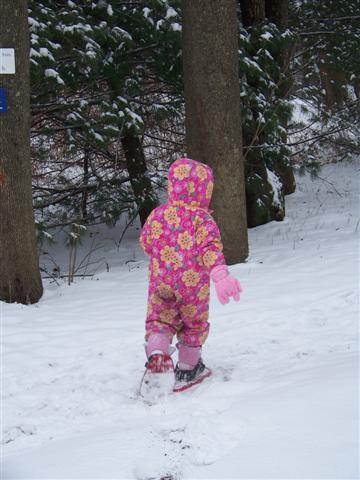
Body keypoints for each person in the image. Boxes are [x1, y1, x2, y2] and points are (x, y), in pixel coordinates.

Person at [140, 157, 242, 391]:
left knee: (160, 319)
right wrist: (220, 276)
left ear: (172, 185)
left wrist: (163, 258)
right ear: (205, 190)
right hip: (192, 287)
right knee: (193, 324)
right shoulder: (202, 219)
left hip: (161, 282)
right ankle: (188, 368)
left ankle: (157, 351)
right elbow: (210, 250)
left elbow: (146, 243)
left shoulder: (157, 215)